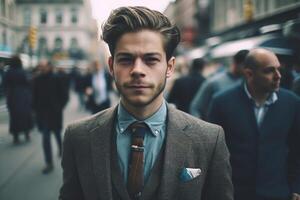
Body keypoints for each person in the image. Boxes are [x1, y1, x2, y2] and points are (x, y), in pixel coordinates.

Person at [59, 6, 233, 200]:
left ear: (169, 67)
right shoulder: (78, 137)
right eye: (126, 59)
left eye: (151, 59)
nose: (137, 70)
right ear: (111, 66)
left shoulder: (209, 139)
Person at [208, 48, 300, 200]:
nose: (278, 76)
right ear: (249, 74)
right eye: (269, 71)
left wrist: (296, 186)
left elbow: (297, 149)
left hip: (277, 192)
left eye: (279, 69)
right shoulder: (222, 102)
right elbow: (212, 151)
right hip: (235, 193)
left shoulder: (291, 103)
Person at [190, 49, 249, 119]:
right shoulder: (214, 82)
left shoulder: (247, 83)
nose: (247, 70)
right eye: (245, 66)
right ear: (236, 63)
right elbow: (195, 107)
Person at [32, 60, 68, 174]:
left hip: (55, 113)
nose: (41, 68)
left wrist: (59, 107)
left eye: (43, 66)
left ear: (49, 66)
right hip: (42, 114)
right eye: (40, 66)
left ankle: (60, 148)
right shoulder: (36, 79)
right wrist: (34, 109)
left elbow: (64, 95)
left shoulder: (57, 78)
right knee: (45, 138)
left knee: (57, 133)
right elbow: (34, 95)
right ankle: (49, 163)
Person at [2, 55, 33, 144]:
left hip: (12, 96)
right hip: (23, 95)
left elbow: (5, 85)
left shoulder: (8, 72)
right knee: (25, 114)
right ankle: (26, 133)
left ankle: (16, 136)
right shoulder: (23, 71)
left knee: (14, 116)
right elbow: (28, 83)